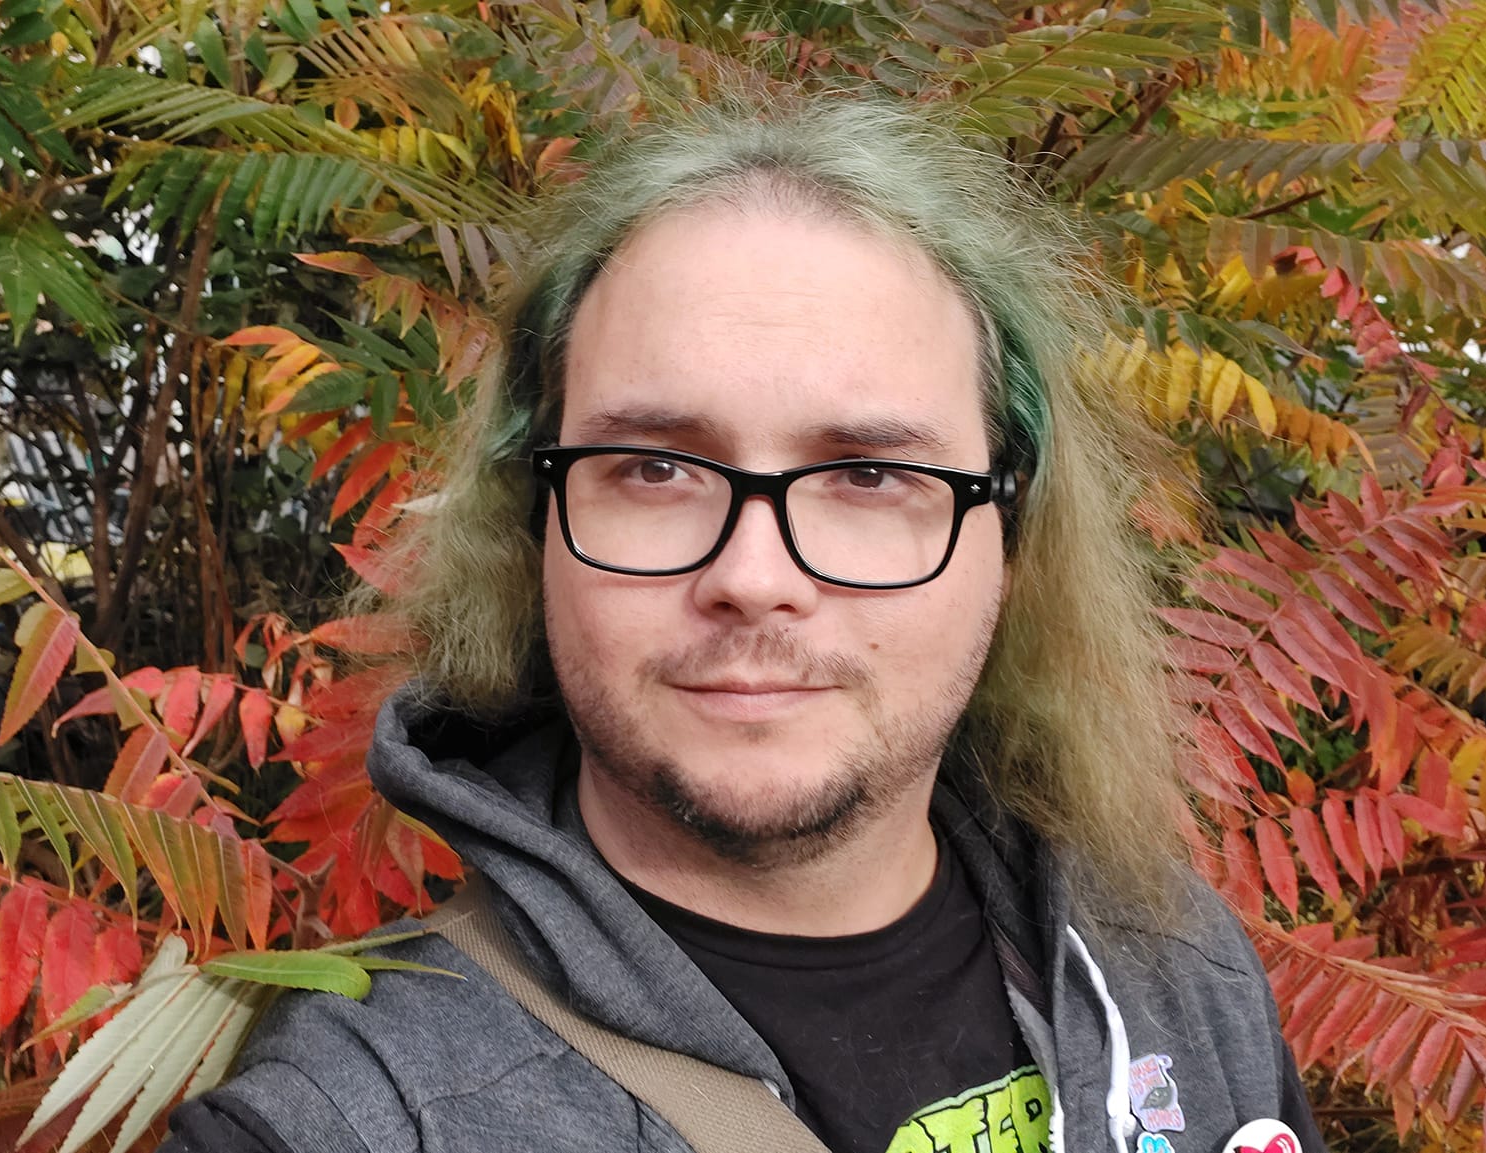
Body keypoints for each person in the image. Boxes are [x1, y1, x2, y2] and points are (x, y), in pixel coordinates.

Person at [161, 91, 1325, 1153]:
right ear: (534, 527)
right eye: (653, 468)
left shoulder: (1174, 971)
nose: (753, 575)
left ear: (1010, 542)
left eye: (869, 476)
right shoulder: (355, 1119)